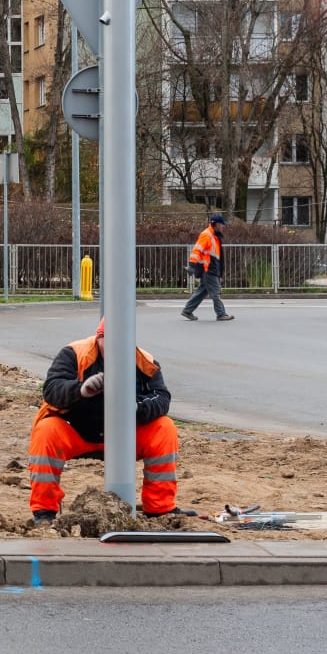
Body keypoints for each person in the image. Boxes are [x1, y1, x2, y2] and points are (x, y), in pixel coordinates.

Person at [27, 317, 191, 525]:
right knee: (46, 430)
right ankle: (44, 512)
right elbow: (51, 390)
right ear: (98, 338)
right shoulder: (74, 354)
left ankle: (160, 509)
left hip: (125, 435)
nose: (114, 350)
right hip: (77, 431)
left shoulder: (144, 361)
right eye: (107, 341)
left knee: (164, 428)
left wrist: (136, 407)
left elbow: (161, 398)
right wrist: (80, 390)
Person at [182, 213, 233, 322]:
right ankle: (221, 314)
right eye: (222, 224)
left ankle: (187, 310)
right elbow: (197, 250)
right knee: (215, 292)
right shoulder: (207, 235)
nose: (223, 226)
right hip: (208, 269)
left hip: (211, 268)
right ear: (216, 224)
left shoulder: (214, 235)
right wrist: (191, 265)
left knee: (201, 292)